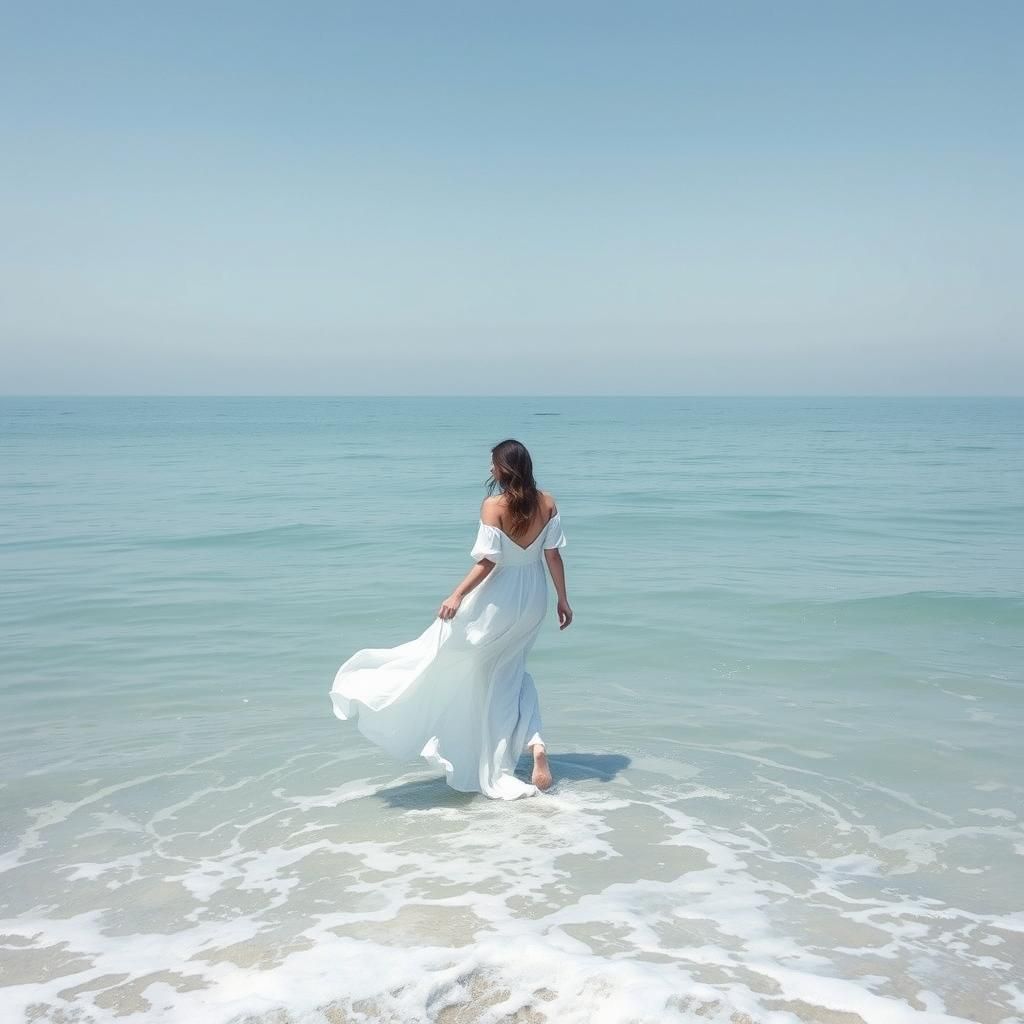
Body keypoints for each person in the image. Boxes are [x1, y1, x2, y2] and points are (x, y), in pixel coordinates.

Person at [329, 439, 573, 800]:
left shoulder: (493, 506)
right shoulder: (547, 502)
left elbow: (488, 561)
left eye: (493, 464)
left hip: (498, 599)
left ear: (504, 468)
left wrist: (457, 594)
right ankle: (532, 741)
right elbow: (553, 556)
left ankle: (499, 752)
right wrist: (563, 599)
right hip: (534, 598)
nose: (489, 469)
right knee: (510, 672)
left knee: (444, 656)